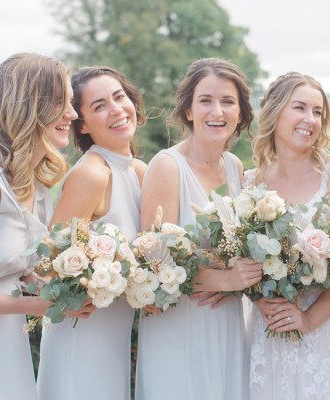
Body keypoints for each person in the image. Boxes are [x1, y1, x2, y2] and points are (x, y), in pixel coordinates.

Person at [245, 72, 330, 400]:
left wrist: (308, 318)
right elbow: (242, 261)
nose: (311, 120)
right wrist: (259, 299)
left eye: (318, 112)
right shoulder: (251, 183)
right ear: (275, 112)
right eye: (300, 108)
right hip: (272, 334)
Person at [137, 57, 260, 400]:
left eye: (227, 102)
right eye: (205, 100)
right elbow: (152, 271)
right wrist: (224, 280)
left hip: (226, 322)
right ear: (188, 110)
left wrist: (239, 279)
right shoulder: (167, 167)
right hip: (180, 326)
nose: (217, 111)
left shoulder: (235, 168)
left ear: (240, 113)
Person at [0, 53, 90, 400]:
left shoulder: (34, 182)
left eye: (71, 103)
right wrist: (34, 306)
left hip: (7, 347)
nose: (72, 114)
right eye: (61, 103)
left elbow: (6, 268)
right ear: (28, 106)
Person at [36, 66, 147, 400]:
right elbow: (46, 263)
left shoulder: (139, 171)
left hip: (115, 333)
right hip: (81, 334)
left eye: (118, 97)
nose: (115, 109)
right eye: (99, 106)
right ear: (81, 124)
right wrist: (87, 284)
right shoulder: (92, 173)